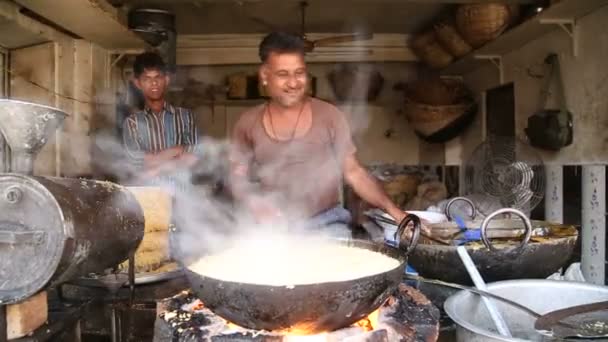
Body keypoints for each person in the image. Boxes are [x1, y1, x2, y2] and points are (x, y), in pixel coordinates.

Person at [229, 32, 414, 233]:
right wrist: (256, 205)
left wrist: (396, 212)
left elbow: (354, 172)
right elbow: (236, 176)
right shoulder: (248, 122)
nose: (293, 83)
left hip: (327, 223)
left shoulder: (329, 116)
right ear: (265, 75)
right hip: (273, 226)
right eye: (283, 74)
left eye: (299, 73)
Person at [122, 52, 199, 193]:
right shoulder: (132, 123)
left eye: (158, 77)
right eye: (147, 79)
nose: (154, 83)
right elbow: (138, 165)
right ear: (138, 83)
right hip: (150, 200)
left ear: (167, 79)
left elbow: (193, 159)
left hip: (183, 200)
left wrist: (156, 160)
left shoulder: (186, 117)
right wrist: (176, 150)